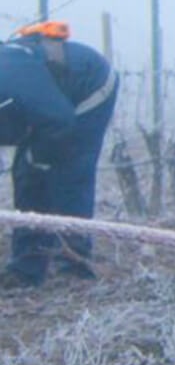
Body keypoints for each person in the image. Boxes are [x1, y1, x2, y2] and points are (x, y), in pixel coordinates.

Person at [0, 22, 118, 286]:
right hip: (45, 107)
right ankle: (26, 267)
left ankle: (75, 267)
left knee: (66, 173)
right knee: (25, 175)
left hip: (88, 88)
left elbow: (58, 119)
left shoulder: (10, 77)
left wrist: (40, 159)